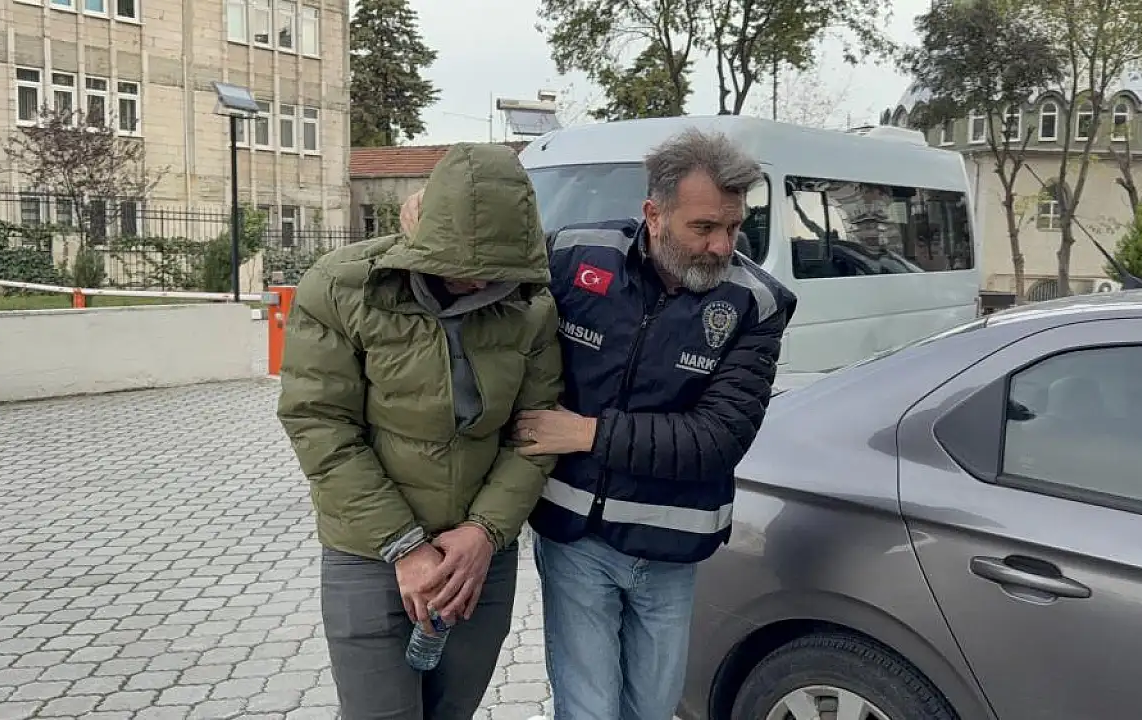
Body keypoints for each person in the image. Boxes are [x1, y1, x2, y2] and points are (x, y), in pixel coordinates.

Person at [513, 127, 798, 720]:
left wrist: (586, 433)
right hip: (575, 538)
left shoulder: (756, 303)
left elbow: (717, 439)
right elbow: (485, 279)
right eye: (704, 227)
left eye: (734, 227)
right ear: (654, 215)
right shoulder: (573, 255)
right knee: (589, 709)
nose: (721, 246)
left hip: (671, 545)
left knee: (653, 707)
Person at [276, 142, 563, 720]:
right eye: (463, 263)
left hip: (476, 560)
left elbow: (536, 432)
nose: (478, 283)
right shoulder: (341, 288)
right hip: (370, 554)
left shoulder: (529, 306)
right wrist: (404, 546)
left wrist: (484, 533)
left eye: (493, 269)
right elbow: (320, 424)